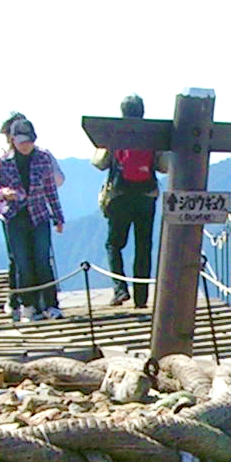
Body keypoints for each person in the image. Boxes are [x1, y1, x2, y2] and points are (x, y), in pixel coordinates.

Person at [0, 113, 65, 321]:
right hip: (15, 217)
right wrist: (4, 193)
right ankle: (28, 306)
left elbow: (51, 189)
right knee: (22, 263)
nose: (26, 146)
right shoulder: (3, 162)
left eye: (29, 141)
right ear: (13, 140)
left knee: (42, 260)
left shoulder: (42, 158)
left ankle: (51, 304)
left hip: (39, 215)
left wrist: (58, 217)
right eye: (22, 142)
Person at [91, 93, 162, 307]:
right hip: (146, 196)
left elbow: (100, 163)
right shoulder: (153, 133)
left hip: (120, 195)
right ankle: (141, 298)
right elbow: (164, 165)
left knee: (114, 244)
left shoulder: (115, 132)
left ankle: (120, 290)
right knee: (144, 246)